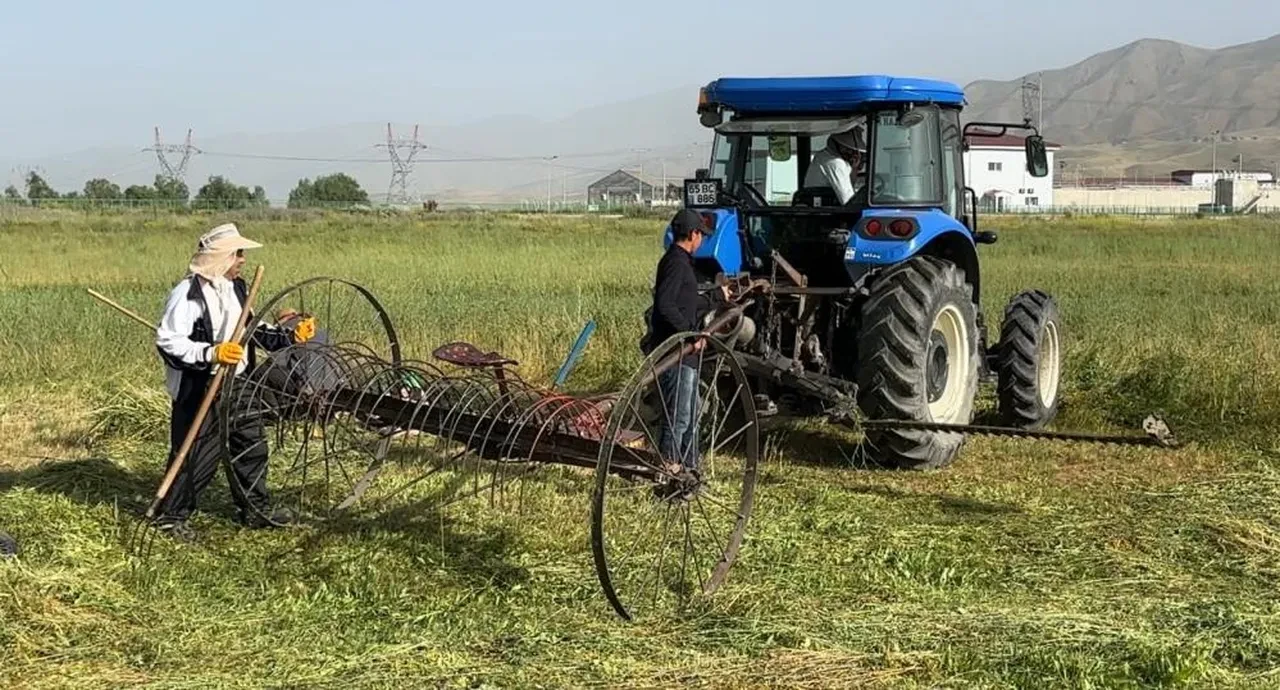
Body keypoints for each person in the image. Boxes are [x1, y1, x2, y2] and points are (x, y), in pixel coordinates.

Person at [153, 223, 316, 541]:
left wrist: (289, 336)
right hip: (200, 386)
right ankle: (171, 517)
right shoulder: (188, 294)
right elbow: (168, 343)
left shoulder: (237, 288)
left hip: (236, 381)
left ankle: (255, 509)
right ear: (222, 257)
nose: (243, 259)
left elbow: (252, 328)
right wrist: (211, 353)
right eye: (238, 253)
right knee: (196, 453)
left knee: (250, 443)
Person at [644, 209, 729, 473]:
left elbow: (687, 302)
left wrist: (717, 298)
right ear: (693, 234)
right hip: (676, 351)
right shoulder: (675, 263)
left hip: (687, 352)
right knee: (678, 417)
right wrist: (691, 334)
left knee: (690, 416)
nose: (702, 239)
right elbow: (665, 305)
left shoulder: (682, 263)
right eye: (701, 235)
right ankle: (669, 468)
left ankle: (690, 469)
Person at [802, 124, 867, 205]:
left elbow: (849, 187)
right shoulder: (834, 162)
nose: (852, 153)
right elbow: (848, 201)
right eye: (849, 149)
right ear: (840, 146)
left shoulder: (825, 156)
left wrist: (854, 169)